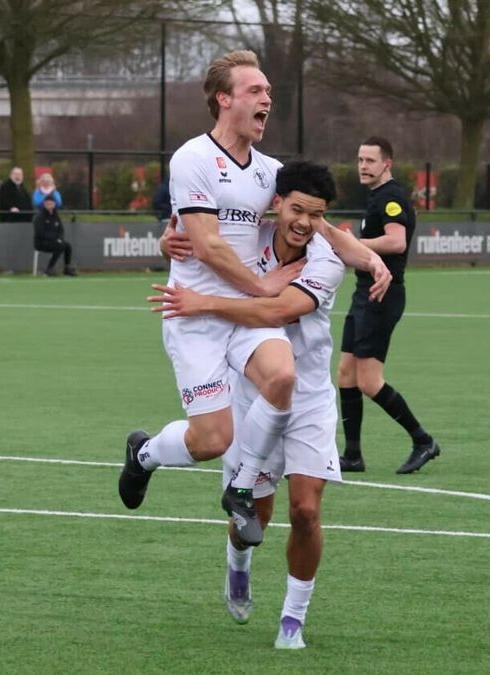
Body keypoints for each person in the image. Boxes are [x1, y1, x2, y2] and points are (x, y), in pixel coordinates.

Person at [118, 50, 390, 548]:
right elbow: (207, 244)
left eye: (268, 92)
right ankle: (145, 454)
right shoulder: (193, 158)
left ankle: (241, 489)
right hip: (193, 312)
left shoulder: (270, 171)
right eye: (256, 91)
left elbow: (325, 228)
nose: (268, 98)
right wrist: (261, 286)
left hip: (244, 318)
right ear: (224, 99)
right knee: (212, 440)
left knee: (283, 376)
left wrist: (370, 260)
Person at [151, 161, 345, 650]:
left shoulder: (325, 260)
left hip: (309, 400)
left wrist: (204, 304)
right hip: (251, 395)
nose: (303, 223)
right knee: (251, 519)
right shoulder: (246, 237)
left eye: (315, 215)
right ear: (278, 203)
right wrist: (166, 240)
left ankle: (292, 620)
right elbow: (195, 239)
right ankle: (237, 566)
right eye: (297, 209)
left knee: (305, 510)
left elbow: (277, 309)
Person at [337, 137, 440, 475]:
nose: (363, 166)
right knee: (345, 374)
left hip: (382, 294)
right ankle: (352, 455)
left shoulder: (392, 198)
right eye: (360, 160)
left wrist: (353, 244)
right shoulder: (376, 198)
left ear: (387, 164)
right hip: (364, 291)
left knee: (368, 381)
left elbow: (396, 242)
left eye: (370, 160)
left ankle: (423, 440)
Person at [33, 194, 76, 276]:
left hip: (55, 241)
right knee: (59, 246)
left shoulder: (56, 216)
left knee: (67, 246)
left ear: (54, 204)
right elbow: (40, 233)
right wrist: (55, 239)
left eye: (51, 203)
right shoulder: (39, 217)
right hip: (41, 243)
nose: (49, 205)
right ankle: (49, 268)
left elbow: (60, 229)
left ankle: (67, 268)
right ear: (44, 204)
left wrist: (59, 238)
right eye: (47, 203)